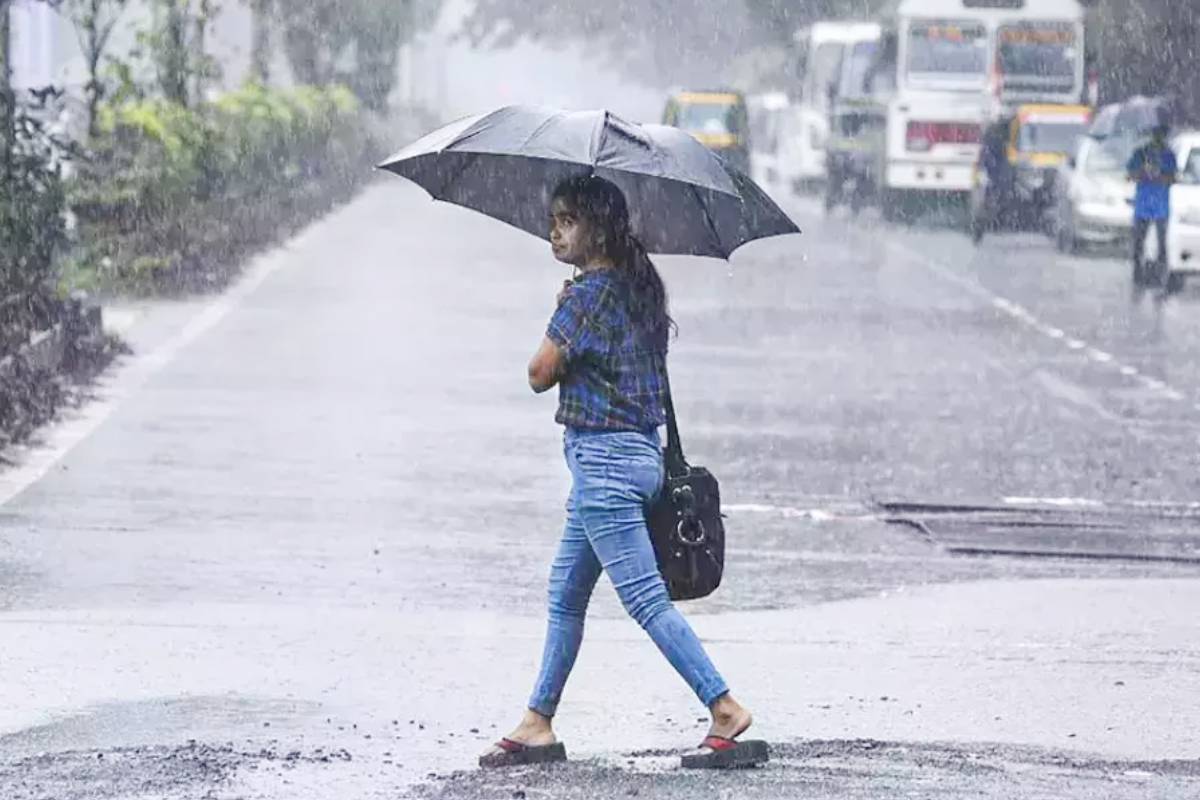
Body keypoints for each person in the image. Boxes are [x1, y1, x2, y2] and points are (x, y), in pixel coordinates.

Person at [479, 175, 754, 768]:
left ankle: (724, 708)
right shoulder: (636, 290)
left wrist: (561, 318)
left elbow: (538, 373)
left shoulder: (588, 296)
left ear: (597, 230)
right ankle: (537, 722)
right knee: (566, 593)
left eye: (568, 221)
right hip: (635, 459)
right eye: (553, 218)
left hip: (603, 468)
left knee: (646, 601)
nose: (554, 231)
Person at [1127, 124, 1178, 288]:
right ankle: (1138, 273)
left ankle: (1159, 273)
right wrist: (1143, 173)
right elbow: (1130, 175)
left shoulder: (1169, 155)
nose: (1158, 139)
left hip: (1160, 205)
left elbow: (1172, 177)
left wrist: (1159, 175)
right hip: (1143, 204)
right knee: (1139, 242)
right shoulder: (1140, 153)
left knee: (1161, 243)